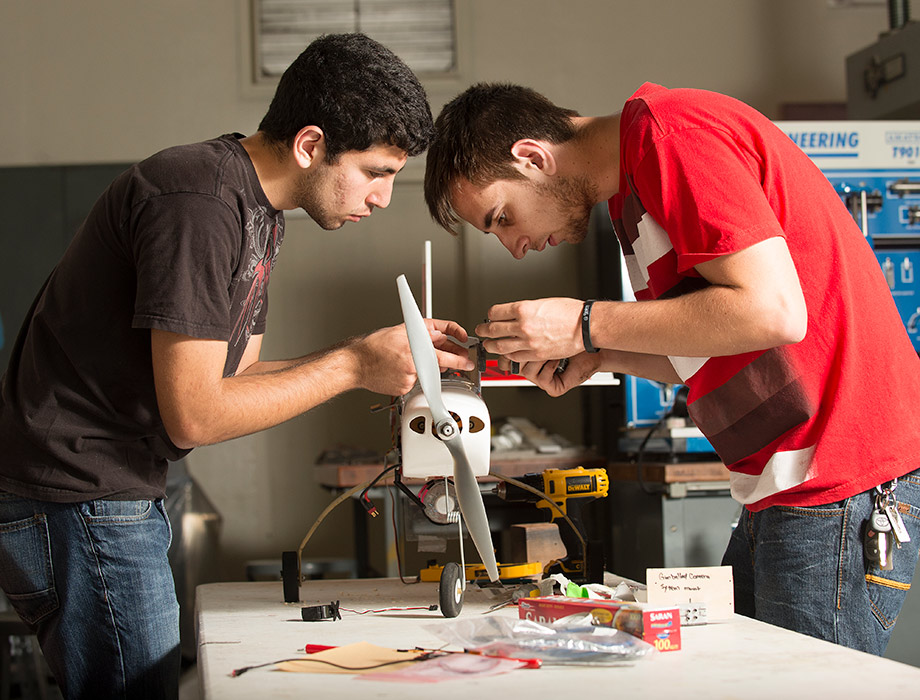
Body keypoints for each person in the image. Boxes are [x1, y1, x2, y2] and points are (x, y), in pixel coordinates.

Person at [0, 33, 473, 699]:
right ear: (310, 146)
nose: (383, 198)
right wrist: (350, 365)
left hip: (106, 489)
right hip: (78, 494)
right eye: (376, 172)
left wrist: (370, 355)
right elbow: (195, 416)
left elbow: (234, 378)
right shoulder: (197, 204)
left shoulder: (255, 212)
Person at [423, 81, 920, 654]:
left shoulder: (671, 136)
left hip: (837, 477)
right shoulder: (630, 189)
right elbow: (713, 341)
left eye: (502, 217)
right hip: (786, 486)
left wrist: (584, 323)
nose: (515, 245)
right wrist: (598, 354)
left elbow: (773, 312)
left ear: (533, 158)